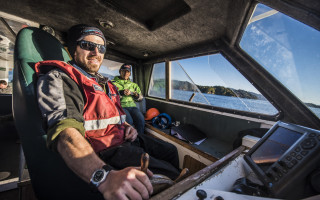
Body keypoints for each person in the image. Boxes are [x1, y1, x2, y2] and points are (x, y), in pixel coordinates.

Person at [36, 24, 180, 200]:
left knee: (171, 151)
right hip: (105, 150)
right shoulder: (62, 78)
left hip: (125, 139)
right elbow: (65, 133)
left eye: (101, 47)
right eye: (88, 45)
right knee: (171, 175)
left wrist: (128, 126)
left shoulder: (106, 84)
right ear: (73, 49)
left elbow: (113, 115)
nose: (96, 52)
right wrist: (104, 177)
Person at [112, 64, 145, 135]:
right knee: (129, 121)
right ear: (120, 71)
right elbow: (109, 97)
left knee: (141, 119)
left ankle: (141, 138)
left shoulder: (134, 85)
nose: (126, 73)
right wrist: (121, 93)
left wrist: (134, 94)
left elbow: (141, 98)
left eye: (128, 72)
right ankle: (129, 141)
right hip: (121, 107)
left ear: (130, 74)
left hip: (133, 107)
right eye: (124, 71)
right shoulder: (112, 83)